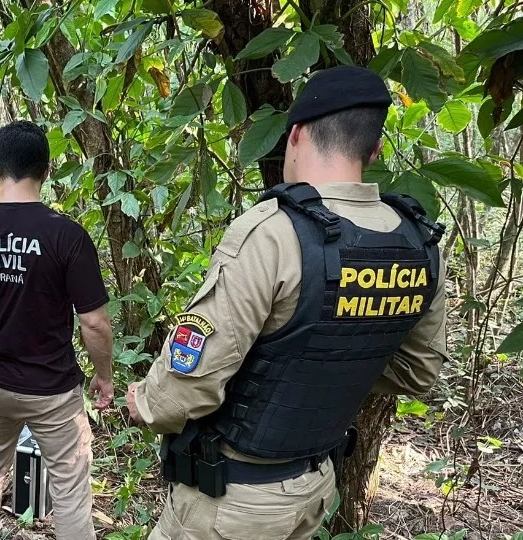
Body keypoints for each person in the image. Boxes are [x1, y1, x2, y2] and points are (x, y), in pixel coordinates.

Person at [126, 66, 450, 540]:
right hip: (314, 487)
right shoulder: (419, 244)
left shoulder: (273, 234)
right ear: (375, 149)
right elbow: (420, 372)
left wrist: (146, 404)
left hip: (232, 502)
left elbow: (188, 383)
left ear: (295, 134)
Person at [0, 121, 115, 540]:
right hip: (52, 390)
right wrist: (104, 376)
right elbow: (94, 321)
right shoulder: (66, 235)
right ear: (46, 171)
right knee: (70, 484)